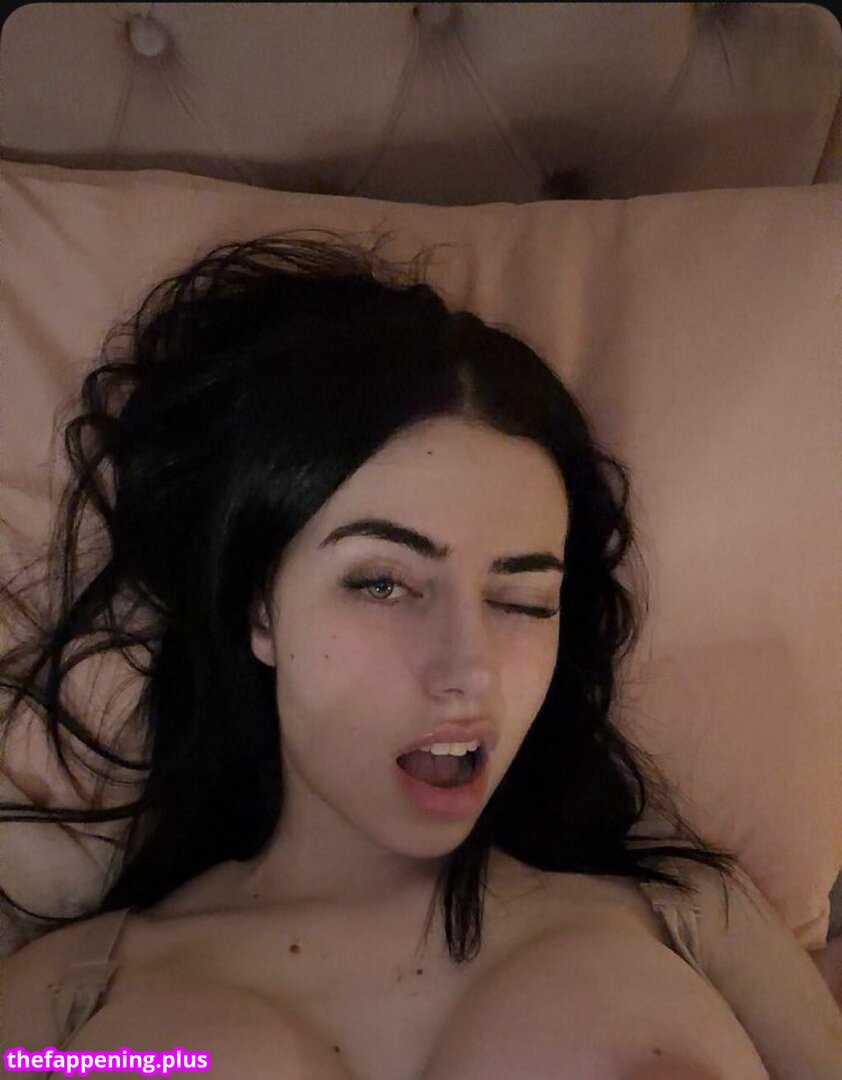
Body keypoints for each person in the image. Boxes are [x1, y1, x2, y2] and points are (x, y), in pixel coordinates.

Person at [0, 232, 839, 1080]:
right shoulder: (67, 1001)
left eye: (521, 600)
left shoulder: (692, 919)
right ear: (260, 608)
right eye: (383, 584)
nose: (469, 670)